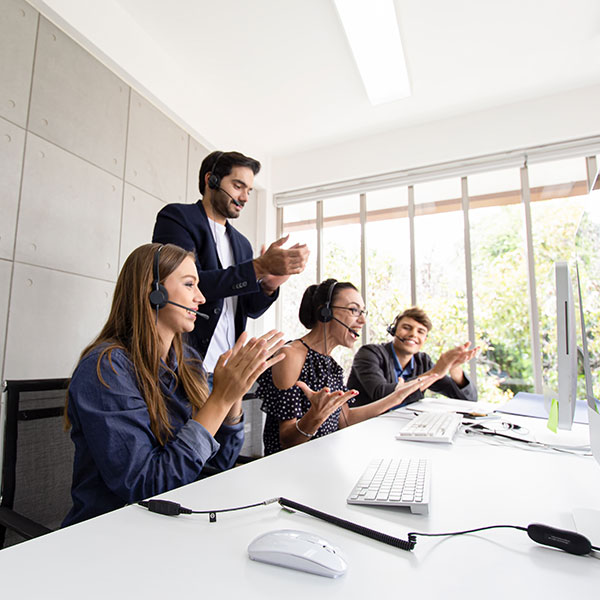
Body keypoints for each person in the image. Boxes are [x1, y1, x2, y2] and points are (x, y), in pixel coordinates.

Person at [62, 243, 284, 526]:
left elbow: (219, 463)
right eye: (190, 284)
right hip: (113, 533)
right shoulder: (107, 367)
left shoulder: (187, 361)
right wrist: (218, 399)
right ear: (154, 292)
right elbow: (147, 487)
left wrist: (233, 398)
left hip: (177, 525)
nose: (201, 298)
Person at [152, 150, 309, 372]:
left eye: (249, 190)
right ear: (211, 180)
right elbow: (185, 286)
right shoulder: (177, 218)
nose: (244, 197)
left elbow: (247, 309)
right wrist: (259, 267)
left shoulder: (242, 244)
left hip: (227, 367)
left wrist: (268, 284)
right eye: (238, 186)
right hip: (184, 363)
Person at [257, 279, 434, 455]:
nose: (363, 320)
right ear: (325, 312)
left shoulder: (331, 364)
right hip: (289, 469)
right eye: (354, 310)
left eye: (363, 312)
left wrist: (396, 397)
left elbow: (345, 420)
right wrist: (315, 416)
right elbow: (286, 441)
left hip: (323, 461)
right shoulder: (291, 355)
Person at [347, 307, 478, 408]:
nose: (413, 334)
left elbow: (470, 400)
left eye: (420, 332)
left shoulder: (422, 362)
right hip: (365, 426)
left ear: (425, 339)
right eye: (406, 328)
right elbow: (380, 395)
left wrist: (455, 369)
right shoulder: (369, 353)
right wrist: (434, 373)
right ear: (394, 331)